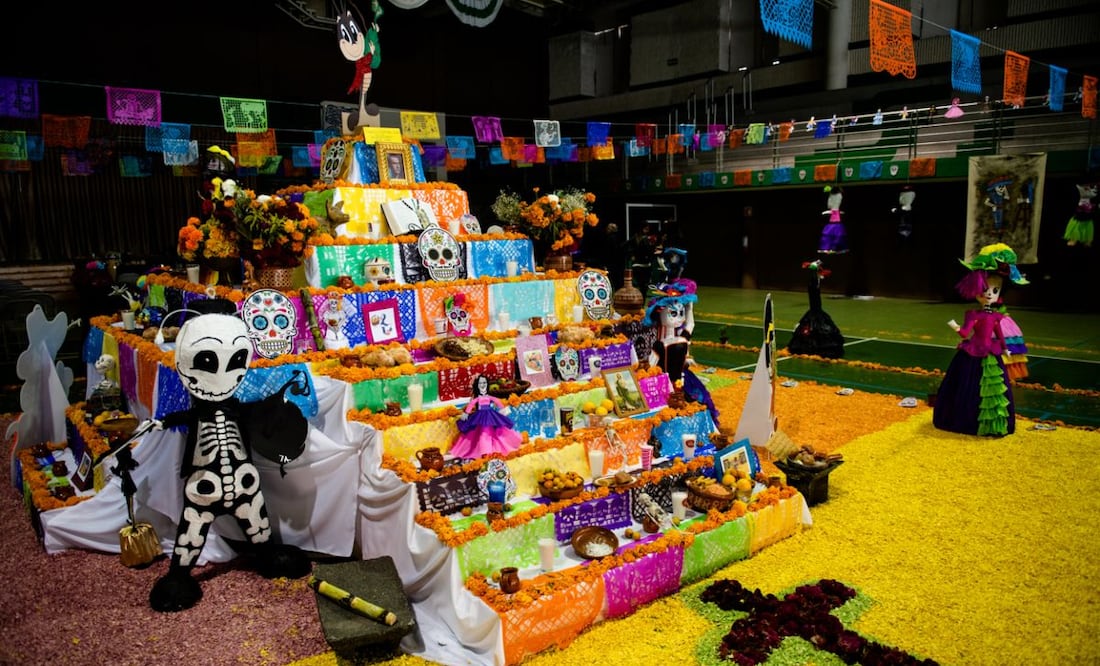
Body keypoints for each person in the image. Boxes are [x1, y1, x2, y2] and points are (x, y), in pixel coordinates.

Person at [933, 243, 1028, 437]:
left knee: (994, 389)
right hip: (972, 351)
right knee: (968, 386)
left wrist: (1005, 349)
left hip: (991, 352)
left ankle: (993, 422)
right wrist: (957, 327)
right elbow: (965, 333)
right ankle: (965, 419)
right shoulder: (972, 314)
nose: (989, 294)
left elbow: (1000, 335)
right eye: (985, 289)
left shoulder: (996, 317)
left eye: (995, 291)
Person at [450, 374, 523, 459]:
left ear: (487, 384)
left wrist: (503, 410)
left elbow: (497, 401)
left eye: (484, 383)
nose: (482, 385)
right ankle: (483, 449)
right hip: (480, 415)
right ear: (477, 385)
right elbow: (471, 404)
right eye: (480, 383)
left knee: (492, 431)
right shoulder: (477, 398)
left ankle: (490, 448)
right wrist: (466, 413)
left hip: (490, 415)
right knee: (480, 432)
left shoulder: (489, 397)